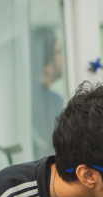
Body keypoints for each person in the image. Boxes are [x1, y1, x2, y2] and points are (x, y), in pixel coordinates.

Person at [31, 27, 64, 160]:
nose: (61, 58)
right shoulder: (52, 102)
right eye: (57, 52)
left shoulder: (28, 97)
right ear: (47, 66)